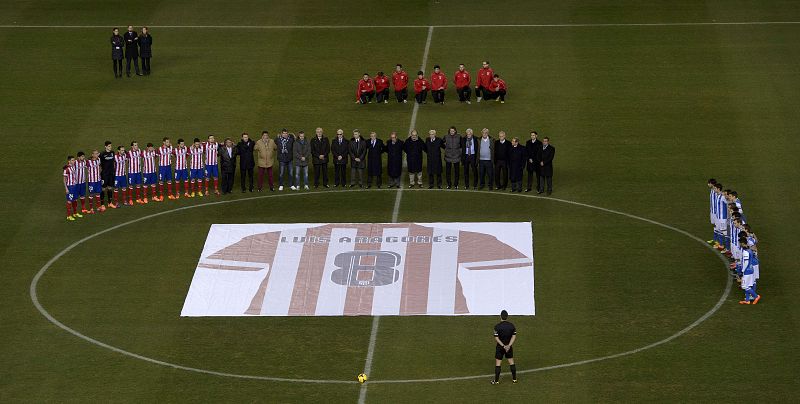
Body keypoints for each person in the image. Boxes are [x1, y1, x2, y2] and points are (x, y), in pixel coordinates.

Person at [491, 310, 517, 385]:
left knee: (498, 364)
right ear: (507, 316)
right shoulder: (512, 326)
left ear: (500, 316)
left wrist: (503, 346)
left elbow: (496, 338)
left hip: (500, 347)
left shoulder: (497, 326)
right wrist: (508, 345)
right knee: (511, 362)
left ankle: (496, 381)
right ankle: (514, 379)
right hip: (509, 347)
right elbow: (514, 336)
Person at [737, 239, 761, 305]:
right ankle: (747, 300)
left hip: (747, 271)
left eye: (740, 243)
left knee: (744, 286)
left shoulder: (745, 252)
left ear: (742, 243)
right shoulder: (749, 250)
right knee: (748, 285)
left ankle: (756, 296)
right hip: (750, 270)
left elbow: (746, 263)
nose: (739, 244)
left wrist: (742, 271)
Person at [63, 156, 82, 221]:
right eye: (72, 160)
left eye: (74, 160)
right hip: (70, 187)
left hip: (75, 186)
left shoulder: (73, 167)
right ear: (69, 161)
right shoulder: (66, 169)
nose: (74, 161)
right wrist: (66, 188)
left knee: (75, 199)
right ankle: (68, 216)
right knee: (69, 201)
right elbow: (64, 180)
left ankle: (75, 213)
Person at [99, 141, 116, 207]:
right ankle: (102, 204)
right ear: (105, 146)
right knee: (103, 188)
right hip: (104, 174)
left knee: (110, 188)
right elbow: (96, 159)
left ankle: (110, 203)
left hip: (111, 173)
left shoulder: (112, 153)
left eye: (111, 146)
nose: (110, 147)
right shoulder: (102, 154)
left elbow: (113, 162)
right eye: (109, 146)